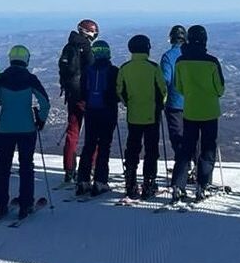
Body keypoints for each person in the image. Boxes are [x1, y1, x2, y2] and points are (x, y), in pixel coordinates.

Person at [0, 45, 51, 221]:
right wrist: (40, 120)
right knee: (26, 167)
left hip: (4, 129)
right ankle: (25, 204)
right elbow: (44, 102)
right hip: (27, 128)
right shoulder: (30, 78)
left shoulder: (1, 78)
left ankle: (0, 206)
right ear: (26, 59)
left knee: (2, 168)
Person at [171, 25, 225, 203]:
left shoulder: (180, 61)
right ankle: (202, 185)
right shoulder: (211, 61)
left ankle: (178, 185)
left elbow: (179, 87)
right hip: (209, 111)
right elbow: (220, 88)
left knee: (186, 149)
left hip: (190, 111)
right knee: (207, 149)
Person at [117, 34, 168, 200]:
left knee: (132, 148)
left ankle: (130, 183)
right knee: (151, 150)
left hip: (133, 115)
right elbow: (163, 91)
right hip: (152, 115)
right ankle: (149, 183)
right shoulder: (153, 67)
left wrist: (128, 103)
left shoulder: (125, 68)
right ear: (147, 48)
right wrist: (160, 105)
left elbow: (120, 91)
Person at [76, 39, 119, 196]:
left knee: (89, 145)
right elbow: (117, 93)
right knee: (104, 146)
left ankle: (82, 180)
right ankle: (100, 181)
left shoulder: (88, 70)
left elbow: (82, 92)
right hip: (107, 112)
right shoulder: (113, 70)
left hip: (91, 111)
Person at [58, 19, 97, 184]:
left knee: (72, 132)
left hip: (72, 96)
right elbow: (92, 71)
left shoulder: (69, 47)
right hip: (86, 97)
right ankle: (92, 168)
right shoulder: (86, 48)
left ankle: (69, 170)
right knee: (93, 134)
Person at [160, 25, 187, 183]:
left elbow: (166, 80)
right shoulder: (193, 55)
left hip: (174, 103)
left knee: (178, 139)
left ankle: (183, 169)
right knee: (194, 138)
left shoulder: (168, 56)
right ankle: (199, 171)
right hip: (194, 102)